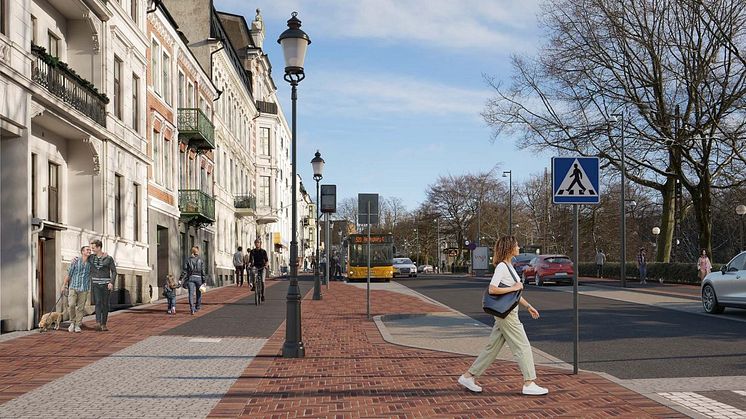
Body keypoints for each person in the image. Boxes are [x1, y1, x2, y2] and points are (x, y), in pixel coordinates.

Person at [458, 236, 548, 396]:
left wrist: (528, 306)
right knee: (523, 346)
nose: (519, 247)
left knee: (491, 348)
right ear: (509, 248)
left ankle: (468, 376)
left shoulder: (509, 266)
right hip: (508, 316)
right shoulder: (501, 267)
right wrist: (514, 287)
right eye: (516, 245)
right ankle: (529, 383)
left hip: (507, 312)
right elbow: (493, 289)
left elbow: (513, 294)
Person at [89, 239, 117, 331]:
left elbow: (114, 271)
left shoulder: (108, 258)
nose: (92, 249)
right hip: (95, 284)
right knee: (97, 302)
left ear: (99, 247)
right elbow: (83, 259)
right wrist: (75, 259)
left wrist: (111, 282)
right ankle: (97, 322)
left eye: (93, 248)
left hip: (106, 284)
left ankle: (103, 324)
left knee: (105, 304)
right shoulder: (91, 257)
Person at [63, 245, 92, 333]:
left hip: (84, 288)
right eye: (87, 250)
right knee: (71, 305)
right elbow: (69, 274)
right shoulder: (75, 261)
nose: (89, 251)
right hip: (73, 287)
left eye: (90, 250)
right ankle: (72, 322)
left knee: (81, 307)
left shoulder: (91, 263)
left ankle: (78, 324)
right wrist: (63, 285)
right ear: (82, 252)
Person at [180, 246, 207, 315]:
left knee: (191, 294)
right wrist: (204, 281)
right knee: (199, 293)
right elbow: (203, 271)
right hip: (199, 278)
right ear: (197, 251)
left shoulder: (188, 260)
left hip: (190, 278)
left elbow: (185, 271)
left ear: (192, 252)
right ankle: (197, 307)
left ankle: (192, 308)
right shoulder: (201, 260)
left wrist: (180, 279)